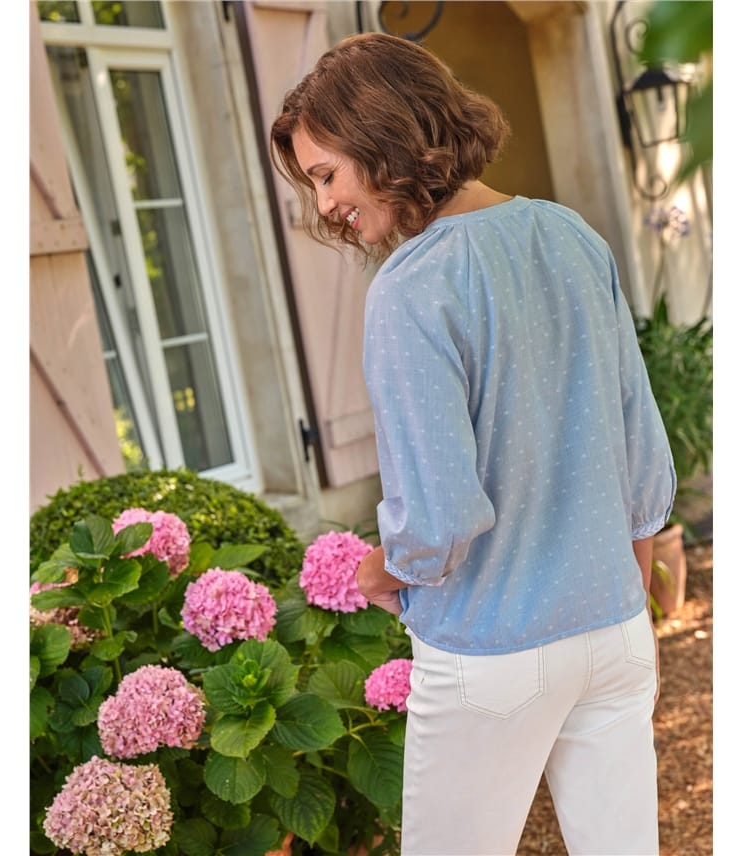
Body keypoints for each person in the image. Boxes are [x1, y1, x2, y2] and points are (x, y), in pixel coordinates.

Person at [271, 32, 676, 856]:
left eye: (325, 174)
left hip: (493, 649)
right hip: (613, 629)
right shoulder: (570, 235)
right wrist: (621, 609)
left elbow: (439, 518)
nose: (323, 206)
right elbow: (642, 454)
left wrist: (377, 571)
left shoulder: (411, 288)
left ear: (380, 135)